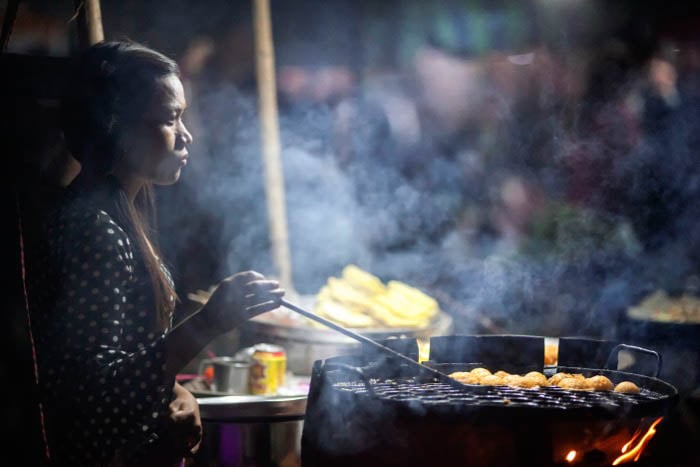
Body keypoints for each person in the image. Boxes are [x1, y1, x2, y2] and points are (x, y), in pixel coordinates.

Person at [23, 40, 284, 467]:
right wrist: (209, 323)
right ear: (114, 128)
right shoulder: (93, 231)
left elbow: (128, 357)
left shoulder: (120, 210)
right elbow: (94, 395)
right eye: (169, 119)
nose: (187, 135)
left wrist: (176, 392)